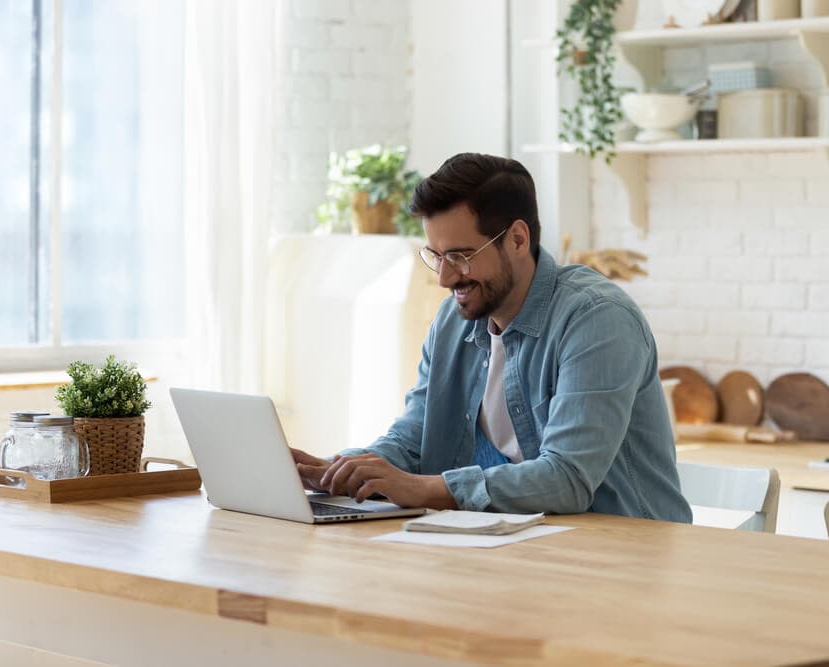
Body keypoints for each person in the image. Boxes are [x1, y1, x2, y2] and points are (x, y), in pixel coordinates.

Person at [291, 153, 691, 522]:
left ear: (517, 239)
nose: (445, 278)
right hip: (524, 547)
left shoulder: (596, 319)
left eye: (460, 256)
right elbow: (415, 438)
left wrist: (422, 489)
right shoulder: (454, 319)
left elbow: (568, 478)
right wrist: (338, 470)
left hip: (627, 556)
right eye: (436, 256)